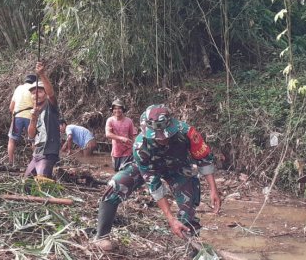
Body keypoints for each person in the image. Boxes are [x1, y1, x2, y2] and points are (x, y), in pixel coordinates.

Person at [92, 105, 221, 251]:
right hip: (149, 167)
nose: (163, 139)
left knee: (188, 204)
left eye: (166, 135)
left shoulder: (187, 133)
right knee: (116, 184)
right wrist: (170, 218)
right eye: (158, 137)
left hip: (178, 168)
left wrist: (213, 190)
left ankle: (191, 246)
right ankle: (101, 237)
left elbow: (203, 159)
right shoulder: (140, 146)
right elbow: (153, 184)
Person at [24, 62, 60, 179]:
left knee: (42, 179)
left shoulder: (50, 106)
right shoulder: (34, 111)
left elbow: (51, 94)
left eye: (39, 91)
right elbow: (31, 135)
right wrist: (33, 119)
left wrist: (42, 74)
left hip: (48, 153)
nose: (36, 95)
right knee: (26, 181)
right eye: (33, 93)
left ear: (45, 94)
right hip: (37, 154)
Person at [7, 73, 37, 167]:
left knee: (12, 140)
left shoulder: (18, 88)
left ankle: (10, 163)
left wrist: (14, 117)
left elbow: (11, 107)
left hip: (17, 117)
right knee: (33, 140)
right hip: (30, 117)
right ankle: (37, 162)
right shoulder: (34, 90)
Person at [105, 99, 137, 171]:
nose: (117, 110)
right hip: (116, 150)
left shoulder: (128, 121)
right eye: (115, 108)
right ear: (112, 110)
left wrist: (135, 148)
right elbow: (108, 134)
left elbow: (133, 135)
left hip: (127, 150)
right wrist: (121, 138)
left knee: (124, 170)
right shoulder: (110, 120)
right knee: (116, 170)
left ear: (123, 109)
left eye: (119, 108)